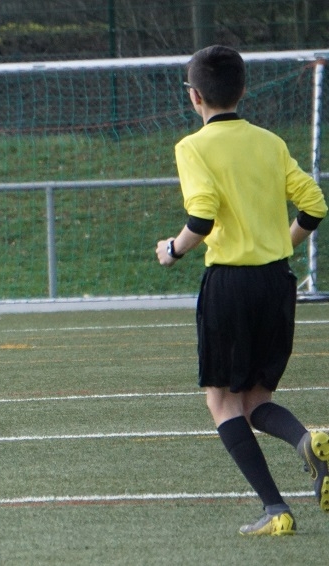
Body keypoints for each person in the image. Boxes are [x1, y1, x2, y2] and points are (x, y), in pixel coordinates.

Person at [156, 45, 329, 536]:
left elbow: (202, 216)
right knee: (256, 401)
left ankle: (276, 509)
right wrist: (278, 244)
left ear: (194, 96)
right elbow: (315, 205)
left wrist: (172, 250)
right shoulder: (269, 142)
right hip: (276, 282)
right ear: (243, 90)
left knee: (222, 402)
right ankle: (307, 441)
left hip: (230, 284)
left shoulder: (193, 147)